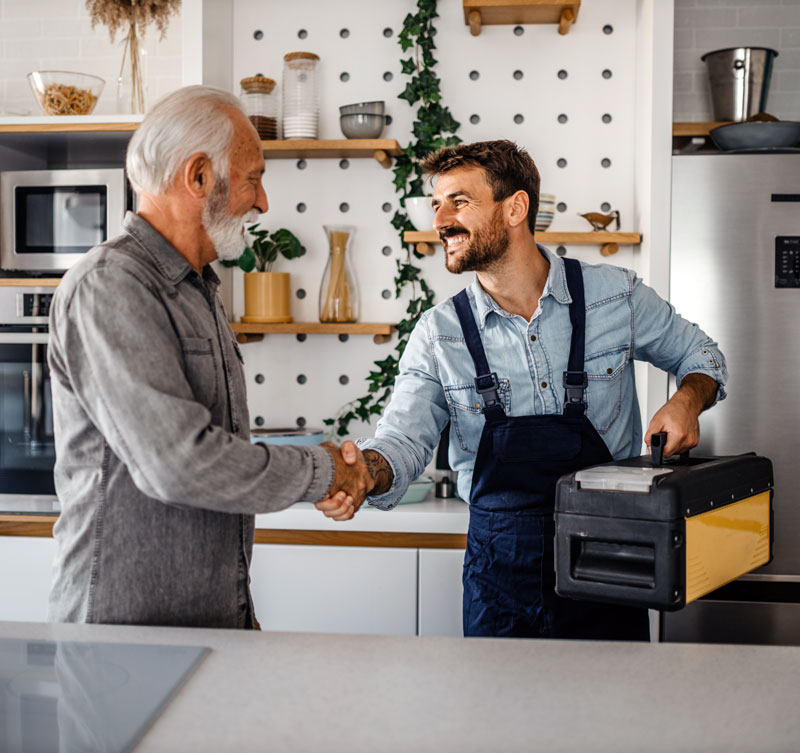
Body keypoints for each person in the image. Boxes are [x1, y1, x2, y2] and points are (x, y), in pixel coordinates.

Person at [317, 140, 727, 641]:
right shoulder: (439, 334)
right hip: (500, 577)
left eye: (459, 202)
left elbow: (703, 355)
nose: (441, 220)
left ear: (515, 208)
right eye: (436, 205)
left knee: (614, 715)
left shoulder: (614, 297)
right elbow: (402, 440)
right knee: (501, 719)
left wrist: (688, 399)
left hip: (612, 561)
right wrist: (367, 474)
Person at [47, 86, 367, 629]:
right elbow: (180, 463)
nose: (263, 203)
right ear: (198, 177)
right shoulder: (112, 287)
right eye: (254, 178)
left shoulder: (199, 288)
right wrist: (323, 469)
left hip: (216, 621)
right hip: (125, 645)